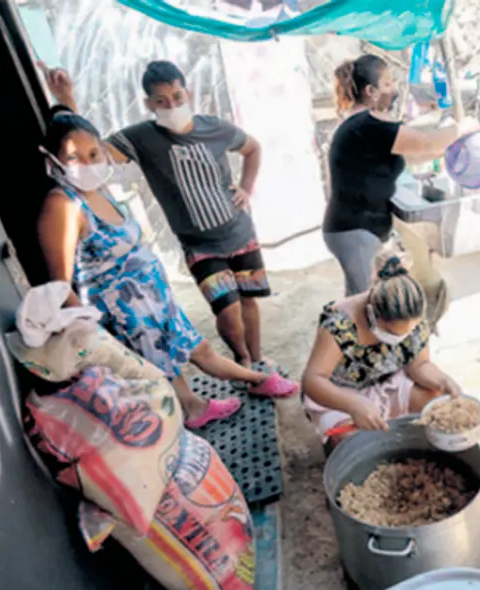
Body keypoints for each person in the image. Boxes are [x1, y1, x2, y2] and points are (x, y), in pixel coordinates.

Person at [37, 110, 299, 429]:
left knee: (197, 349)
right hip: (124, 315)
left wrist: (66, 101)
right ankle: (222, 396)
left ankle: (238, 388)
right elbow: (60, 284)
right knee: (161, 373)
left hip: (153, 298)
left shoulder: (98, 189)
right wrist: (93, 336)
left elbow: (80, 134)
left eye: (94, 154)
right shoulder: (62, 206)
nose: (88, 164)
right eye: (75, 159)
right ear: (54, 161)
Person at [43, 60, 284, 372]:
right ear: (149, 104)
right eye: (161, 101)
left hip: (240, 232)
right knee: (228, 310)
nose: (171, 106)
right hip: (200, 245)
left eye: (177, 97)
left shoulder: (215, 127)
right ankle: (243, 359)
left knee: (249, 300)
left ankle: (258, 359)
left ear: (188, 93)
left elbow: (253, 148)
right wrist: (67, 100)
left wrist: (246, 189)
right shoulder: (142, 138)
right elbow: (92, 149)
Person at [301, 254, 480, 518]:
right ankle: (351, 484)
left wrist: (442, 380)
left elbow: (419, 366)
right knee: (352, 442)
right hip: (339, 395)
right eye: (393, 333)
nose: (401, 338)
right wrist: (354, 404)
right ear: (373, 314)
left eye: (407, 333)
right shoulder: (340, 323)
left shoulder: (413, 315)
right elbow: (313, 380)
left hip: (387, 383)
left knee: (437, 401)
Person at [324, 54, 480, 296]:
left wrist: (450, 147)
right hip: (355, 229)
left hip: (354, 228)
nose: (394, 89)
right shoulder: (369, 125)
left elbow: (417, 153)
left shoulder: (359, 125)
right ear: (371, 91)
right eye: (388, 84)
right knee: (365, 301)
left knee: (366, 296)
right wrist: (462, 128)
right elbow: (425, 143)